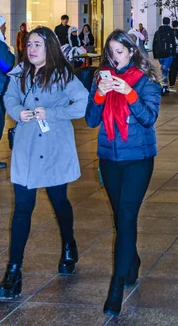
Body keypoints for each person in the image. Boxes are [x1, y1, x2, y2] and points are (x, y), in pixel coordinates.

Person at [0, 27, 88, 300]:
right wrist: (18, 112)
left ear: (49, 46)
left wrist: (52, 112)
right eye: (29, 44)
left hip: (54, 149)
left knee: (59, 201)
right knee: (23, 208)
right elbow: (9, 98)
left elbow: (83, 102)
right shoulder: (19, 73)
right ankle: (13, 272)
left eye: (37, 44)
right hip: (27, 148)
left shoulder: (62, 75)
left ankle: (69, 244)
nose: (32, 49)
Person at [85, 30, 161, 317]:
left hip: (138, 158)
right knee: (121, 217)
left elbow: (148, 118)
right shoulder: (100, 78)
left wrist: (128, 93)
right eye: (111, 52)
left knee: (127, 215)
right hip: (109, 158)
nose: (114, 57)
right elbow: (91, 120)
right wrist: (100, 96)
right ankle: (132, 258)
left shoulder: (147, 82)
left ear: (132, 51)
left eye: (120, 51)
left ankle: (116, 287)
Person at [0, 15, 15, 169]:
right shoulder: (0, 46)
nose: (5, 28)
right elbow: (7, 66)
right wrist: (10, 53)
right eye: (3, 25)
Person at [152, 17, 177, 96]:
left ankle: (164, 86)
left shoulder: (157, 32)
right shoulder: (171, 32)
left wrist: (155, 54)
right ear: (169, 22)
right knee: (165, 71)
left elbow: (154, 43)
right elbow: (173, 43)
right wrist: (173, 53)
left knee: (163, 69)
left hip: (159, 54)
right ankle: (164, 87)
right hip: (168, 54)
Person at [169, 20, 178, 91]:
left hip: (170, 51)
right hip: (177, 52)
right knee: (176, 66)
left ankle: (170, 81)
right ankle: (175, 80)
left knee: (171, 67)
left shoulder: (169, 32)